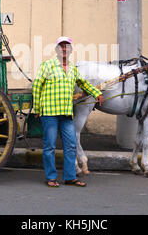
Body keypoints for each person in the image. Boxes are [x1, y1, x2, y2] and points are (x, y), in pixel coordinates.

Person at [32, 36, 104, 187]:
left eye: (67, 47)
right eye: (61, 47)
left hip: (66, 113)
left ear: (71, 50)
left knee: (71, 145)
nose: (64, 49)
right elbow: (37, 86)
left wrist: (97, 93)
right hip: (50, 112)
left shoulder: (72, 69)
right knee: (50, 146)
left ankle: (70, 177)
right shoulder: (47, 65)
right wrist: (37, 108)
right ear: (56, 50)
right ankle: (51, 177)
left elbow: (83, 83)